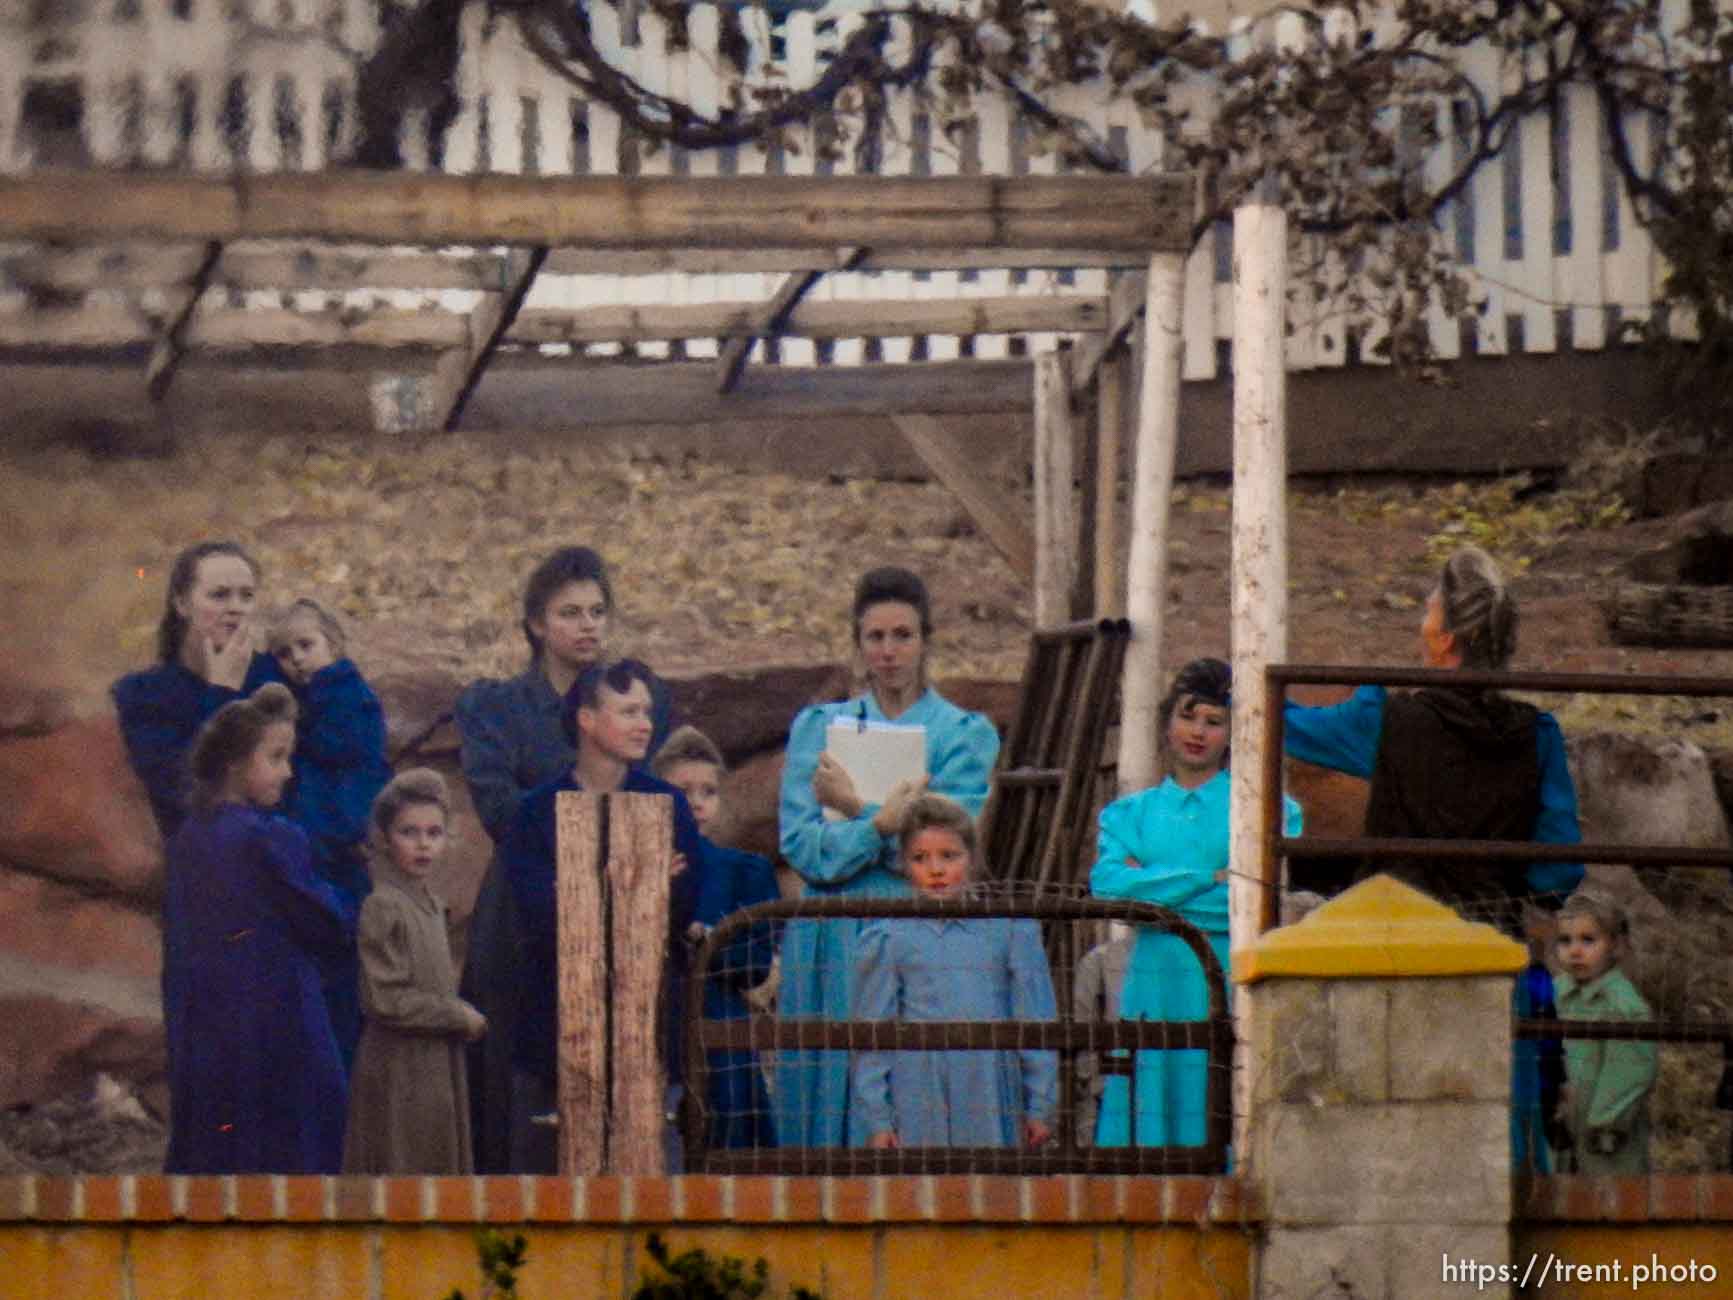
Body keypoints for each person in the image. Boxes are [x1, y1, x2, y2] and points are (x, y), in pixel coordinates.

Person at [455, 545, 676, 1171]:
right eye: (569, 612)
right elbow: (500, 810)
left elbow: (648, 794)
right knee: (518, 1088)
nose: (588, 626)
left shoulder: (637, 698)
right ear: (535, 624)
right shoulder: (495, 706)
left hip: (616, 897)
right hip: (525, 908)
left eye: (598, 612)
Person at [775, 565, 1002, 1148]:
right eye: (875, 637)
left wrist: (853, 807)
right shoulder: (821, 728)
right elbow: (806, 849)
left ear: (925, 640)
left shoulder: (960, 734)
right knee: (832, 1088)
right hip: (833, 934)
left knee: (912, 1087)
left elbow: (944, 850)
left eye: (902, 635)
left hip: (919, 927)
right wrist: (881, 824)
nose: (889, 651)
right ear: (858, 644)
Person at [1282, 544, 1583, 935]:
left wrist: (1228, 691)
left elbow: (1287, 724)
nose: (1421, 622)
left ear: (1444, 640)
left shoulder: (1386, 721)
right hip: (1492, 937)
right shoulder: (1538, 735)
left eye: (1429, 611)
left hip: (1398, 935)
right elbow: (1559, 871)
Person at [1089, 657, 1303, 1149]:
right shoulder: (1130, 813)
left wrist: (1155, 892)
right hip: (1153, 984)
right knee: (1148, 1113)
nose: (1198, 732)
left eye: (1214, 721)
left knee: (1222, 1102)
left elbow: (1254, 895)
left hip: (1226, 980)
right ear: (1167, 720)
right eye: (1188, 716)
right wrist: (1208, 877)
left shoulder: (1265, 808)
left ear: (1232, 733)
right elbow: (1108, 888)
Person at [499, 659, 703, 1172]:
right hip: (557, 1029)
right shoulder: (536, 812)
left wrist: (588, 883)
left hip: (649, 1029)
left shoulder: (667, 803)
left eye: (648, 712)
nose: (644, 724)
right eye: (628, 710)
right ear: (587, 719)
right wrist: (630, 882)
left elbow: (685, 904)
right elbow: (537, 914)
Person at [161, 683, 355, 1174]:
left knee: (221, 1157)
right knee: (299, 1151)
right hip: (282, 1025)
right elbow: (329, 923)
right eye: (275, 757)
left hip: (209, 1031)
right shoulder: (272, 838)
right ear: (234, 762)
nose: (288, 772)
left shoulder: (188, 838)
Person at [851, 794, 1057, 1150]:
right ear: (903, 865)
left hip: (990, 1080)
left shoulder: (1008, 929)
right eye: (920, 858)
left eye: (949, 856)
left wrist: (1039, 1104)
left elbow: (1035, 1019)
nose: (936, 870)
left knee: (992, 1189)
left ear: (972, 859)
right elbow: (872, 1033)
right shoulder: (889, 936)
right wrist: (878, 1118)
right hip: (918, 1085)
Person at [269, 597, 393, 1074]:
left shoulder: (348, 697)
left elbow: (347, 752)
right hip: (313, 853)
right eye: (285, 652)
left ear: (334, 646)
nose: (298, 658)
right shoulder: (302, 701)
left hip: (339, 850)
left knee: (341, 982)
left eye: (306, 645)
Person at [344, 769, 487, 1175]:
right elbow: (385, 999)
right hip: (398, 1070)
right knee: (401, 1170)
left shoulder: (429, 904)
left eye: (434, 832)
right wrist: (455, 1015)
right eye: (409, 832)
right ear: (386, 837)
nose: (423, 844)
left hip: (435, 1064)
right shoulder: (384, 905)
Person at [653, 725, 781, 1150]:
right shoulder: (631, 866)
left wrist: (706, 939)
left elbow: (756, 962)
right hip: (653, 1036)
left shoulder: (746, 871)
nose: (696, 802)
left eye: (708, 791)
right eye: (682, 790)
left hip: (722, 1041)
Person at [114, 541, 283, 841]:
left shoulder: (275, 679)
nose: (235, 608)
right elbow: (187, 794)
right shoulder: (143, 696)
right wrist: (221, 694)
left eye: (246, 596)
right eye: (219, 595)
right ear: (182, 603)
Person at [1551, 890, 1657, 1174]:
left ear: (1616, 946)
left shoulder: (1623, 1005)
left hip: (1606, 1138)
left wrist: (1605, 1124)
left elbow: (1630, 1070)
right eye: (1565, 940)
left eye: (1588, 940)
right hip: (1558, 1122)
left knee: (1611, 1201)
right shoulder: (1555, 993)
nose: (1575, 951)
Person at [1071, 923, 1134, 1148]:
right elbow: (1083, 1026)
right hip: (1106, 1091)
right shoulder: (1098, 961)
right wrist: (1092, 1082)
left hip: (1109, 1087)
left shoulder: (1100, 959)